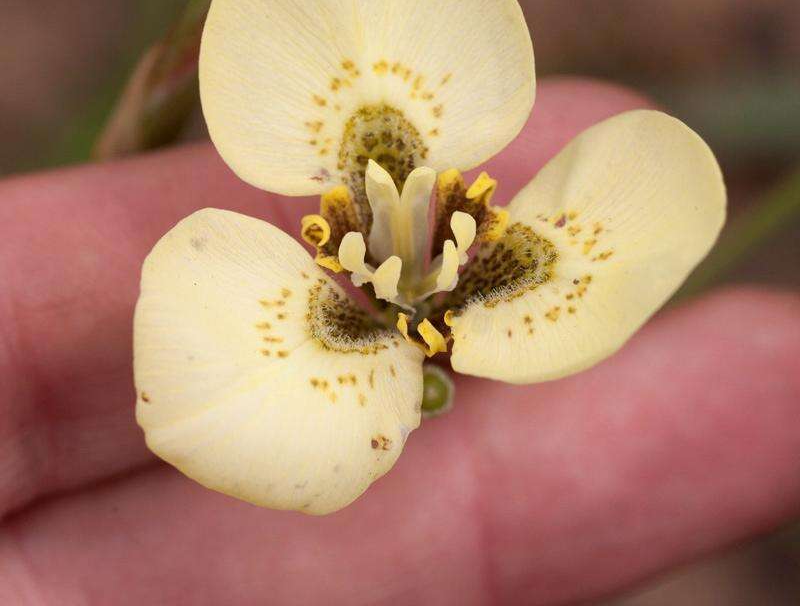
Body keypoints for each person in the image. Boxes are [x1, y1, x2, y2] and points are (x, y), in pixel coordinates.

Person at [1, 78, 798, 605]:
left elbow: (643, 233)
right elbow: (221, 397)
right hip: (351, 325)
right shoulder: (318, 327)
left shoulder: (511, 256)